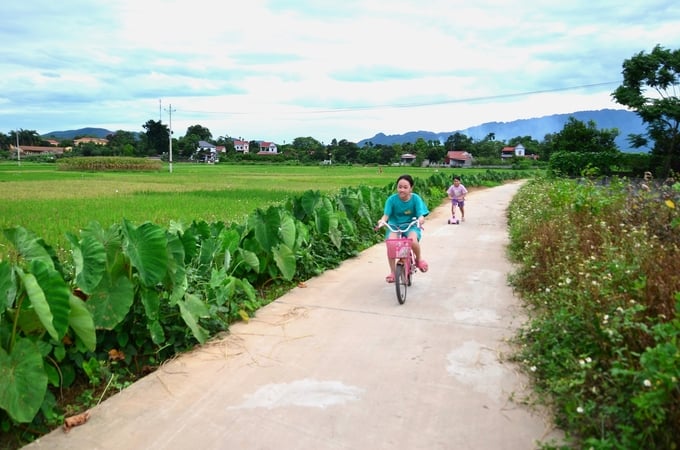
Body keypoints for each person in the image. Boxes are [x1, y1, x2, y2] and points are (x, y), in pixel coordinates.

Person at [378, 174, 429, 283]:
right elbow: (386, 216)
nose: (402, 190)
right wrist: (382, 221)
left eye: (405, 187)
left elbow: (421, 214)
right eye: (400, 187)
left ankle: (419, 260)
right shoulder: (391, 200)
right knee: (391, 243)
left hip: (411, 225)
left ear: (411, 188)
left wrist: (420, 219)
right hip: (394, 225)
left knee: (413, 241)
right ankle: (392, 272)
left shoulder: (415, 199)